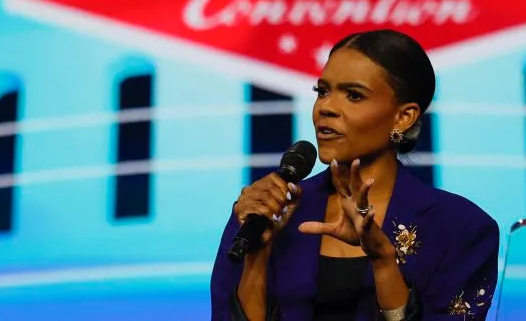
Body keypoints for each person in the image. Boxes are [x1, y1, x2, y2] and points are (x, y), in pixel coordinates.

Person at [210, 29, 500, 321]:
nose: (326, 108)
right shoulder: (270, 212)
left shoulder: (462, 228)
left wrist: (384, 261)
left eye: (353, 95)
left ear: (403, 117)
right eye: (322, 91)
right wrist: (257, 260)